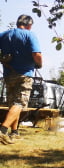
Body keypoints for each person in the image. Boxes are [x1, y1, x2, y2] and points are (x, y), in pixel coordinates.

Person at [0, 15, 42, 144]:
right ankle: (2, 131)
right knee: (19, 104)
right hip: (24, 74)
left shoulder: (4, 35)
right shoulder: (30, 35)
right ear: (29, 25)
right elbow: (36, 54)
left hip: (8, 74)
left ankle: (15, 133)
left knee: (13, 104)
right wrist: (39, 64)